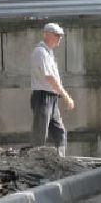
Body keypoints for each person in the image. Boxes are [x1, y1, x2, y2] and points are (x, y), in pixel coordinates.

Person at [30, 22, 75, 155]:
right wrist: (66, 96)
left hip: (51, 97)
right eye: (57, 35)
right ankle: (35, 163)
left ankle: (60, 161)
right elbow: (50, 77)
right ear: (47, 35)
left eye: (60, 35)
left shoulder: (48, 53)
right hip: (43, 97)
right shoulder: (40, 52)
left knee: (60, 132)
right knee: (40, 134)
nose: (59, 38)